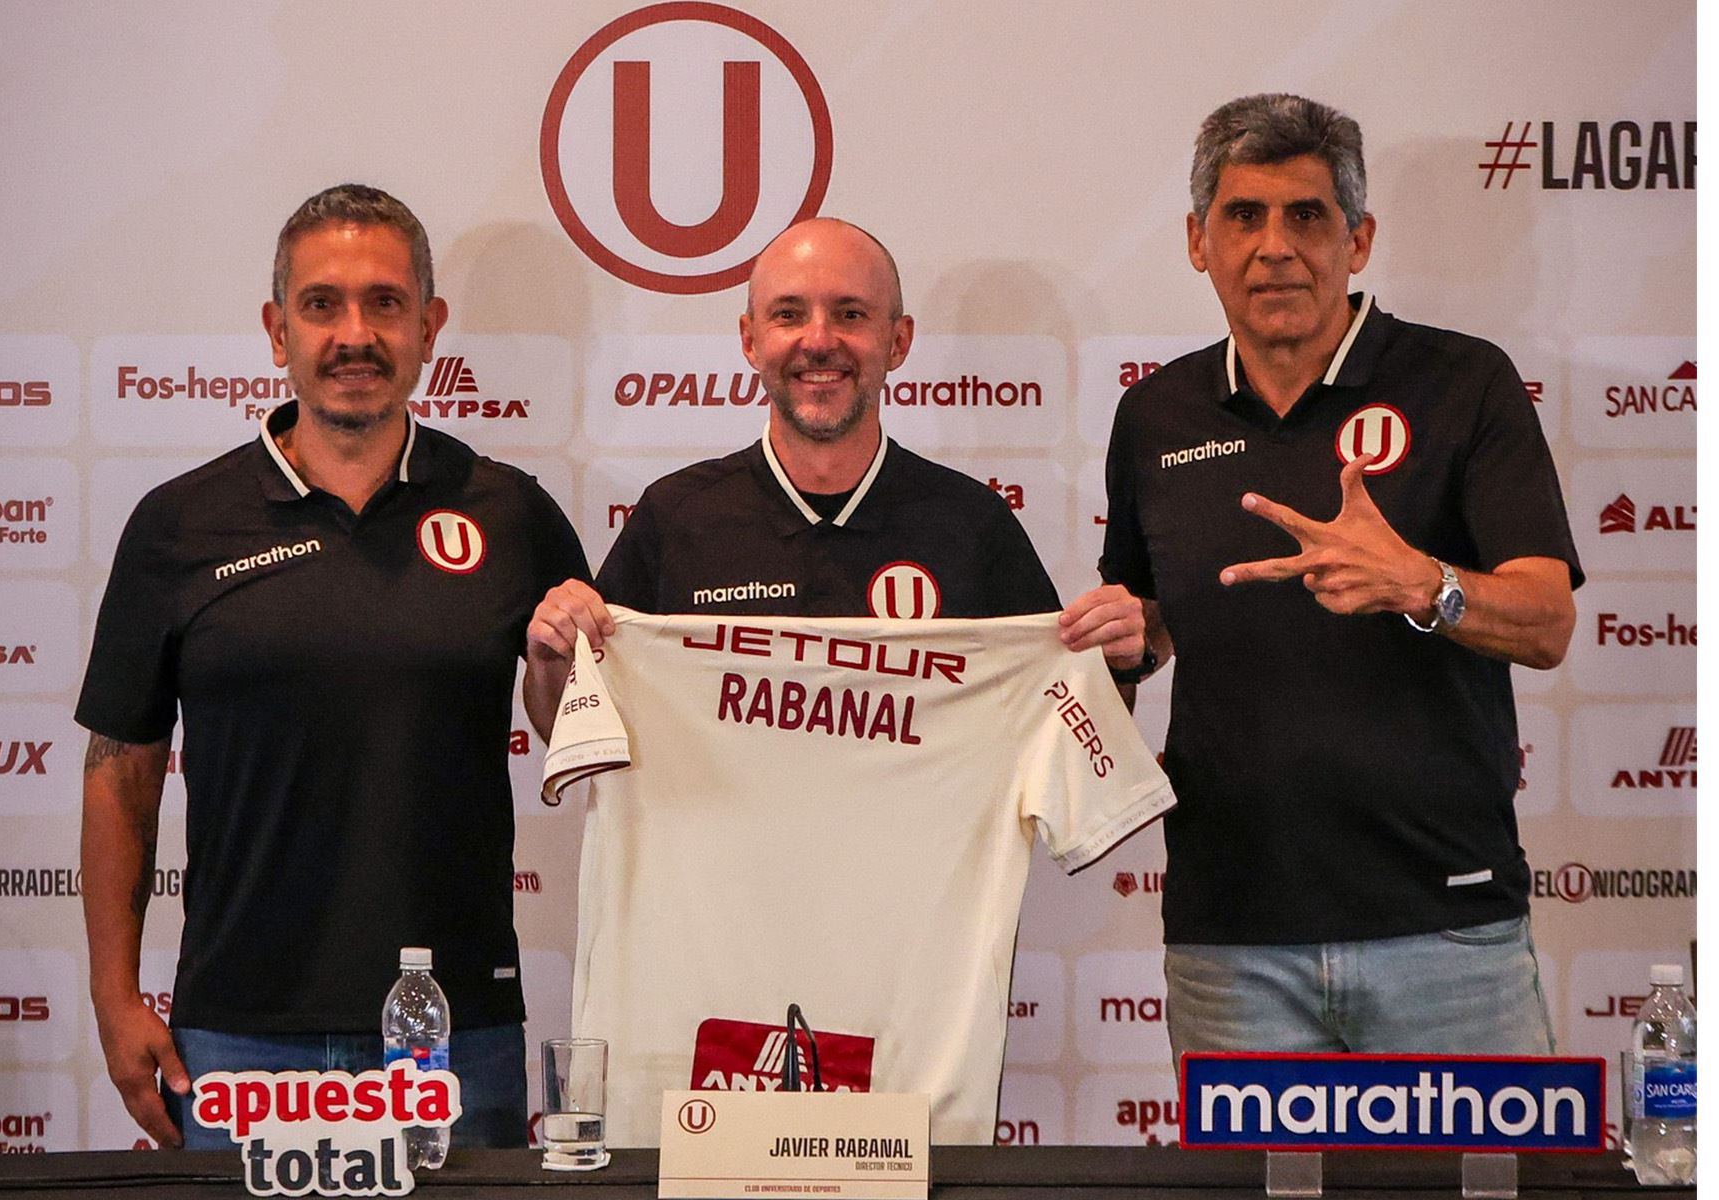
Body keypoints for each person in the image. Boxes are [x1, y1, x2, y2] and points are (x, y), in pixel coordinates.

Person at [78, 184, 589, 1149]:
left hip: (453, 1032)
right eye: (322, 305)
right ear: (278, 331)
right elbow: (122, 767)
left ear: (430, 326)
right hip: (234, 1035)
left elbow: (576, 734)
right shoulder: (177, 524)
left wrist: (563, 666)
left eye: (385, 303)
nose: (355, 333)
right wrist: (113, 998)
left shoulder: (512, 515)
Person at [1099, 94, 1581, 1058]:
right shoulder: (1155, 416)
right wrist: (1130, 640)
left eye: (1306, 216)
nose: (1275, 247)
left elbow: (1547, 621)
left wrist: (1424, 584)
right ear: (1199, 242)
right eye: (1244, 217)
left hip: (1447, 933)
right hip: (1230, 940)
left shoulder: (1465, 382)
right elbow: (1150, 618)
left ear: (1357, 240)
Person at [521, 217, 1145, 730]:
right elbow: (570, 728)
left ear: (898, 342)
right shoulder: (676, 516)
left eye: (850, 314)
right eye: (789, 314)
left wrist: (1112, 665)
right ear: (750, 339)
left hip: (922, 884)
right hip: (715, 885)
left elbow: (1065, 733)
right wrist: (552, 661)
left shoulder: (973, 524)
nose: (819, 341)